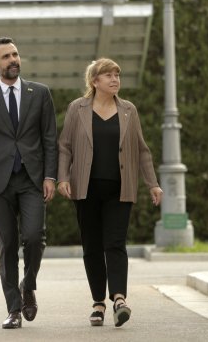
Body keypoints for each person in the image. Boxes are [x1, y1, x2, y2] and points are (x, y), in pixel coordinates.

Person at [57, 58, 163, 327]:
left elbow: (141, 150)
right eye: (109, 75)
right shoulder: (77, 109)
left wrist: (153, 183)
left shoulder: (129, 110)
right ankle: (98, 303)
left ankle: (119, 299)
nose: (115, 79)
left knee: (115, 243)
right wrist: (63, 177)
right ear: (95, 81)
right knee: (92, 246)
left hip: (120, 188)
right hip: (86, 188)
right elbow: (65, 146)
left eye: (117, 75)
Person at [0, 37, 57, 329]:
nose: (13, 60)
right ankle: (14, 310)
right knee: (7, 245)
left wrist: (50, 176)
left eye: (15, 54)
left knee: (34, 237)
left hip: (32, 179)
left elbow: (49, 139)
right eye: (6, 56)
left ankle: (27, 284)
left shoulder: (40, 93)